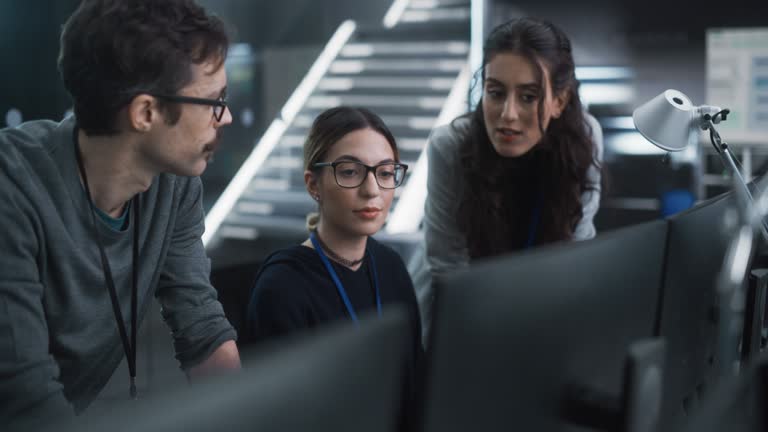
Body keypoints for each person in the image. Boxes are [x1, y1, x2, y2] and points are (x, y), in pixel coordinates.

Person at [0, 0, 241, 428]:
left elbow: (201, 326)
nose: (225, 118)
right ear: (146, 112)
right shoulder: (11, 190)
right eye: (214, 101)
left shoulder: (175, 182)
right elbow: (25, 400)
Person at [411, 17, 604, 340]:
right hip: (451, 313)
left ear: (559, 101)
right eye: (495, 93)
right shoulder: (451, 146)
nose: (508, 114)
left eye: (528, 97)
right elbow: (448, 271)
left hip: (540, 307)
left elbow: (577, 256)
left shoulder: (583, 140)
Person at [246, 106, 422, 429]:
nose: (372, 191)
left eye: (385, 173)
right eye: (351, 172)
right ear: (313, 185)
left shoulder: (392, 266)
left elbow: (416, 386)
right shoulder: (282, 288)